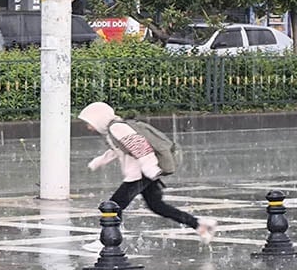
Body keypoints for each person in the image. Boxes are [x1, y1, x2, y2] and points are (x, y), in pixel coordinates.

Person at [78, 102, 216, 251]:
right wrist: (98, 161)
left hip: (140, 175)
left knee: (113, 206)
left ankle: (107, 240)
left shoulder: (117, 128)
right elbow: (118, 149)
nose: (89, 127)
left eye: (89, 123)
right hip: (145, 174)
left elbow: (141, 147)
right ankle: (200, 225)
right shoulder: (114, 129)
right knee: (157, 206)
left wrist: (150, 168)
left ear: (98, 119)